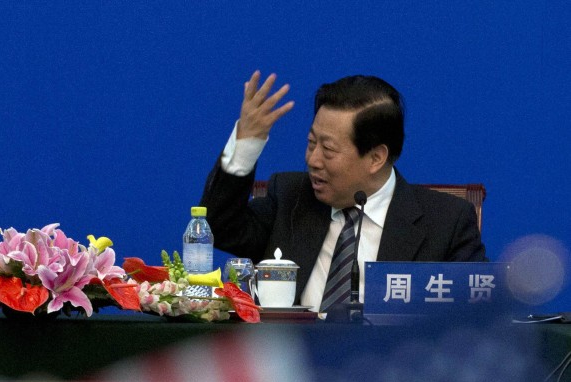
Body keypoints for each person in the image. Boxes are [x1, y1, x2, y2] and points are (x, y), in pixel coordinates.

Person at [200, 71, 487, 310]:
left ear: (376, 158)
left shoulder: (447, 223)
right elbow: (218, 227)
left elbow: (477, 312)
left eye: (328, 149)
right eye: (312, 143)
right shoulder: (290, 197)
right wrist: (247, 144)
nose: (312, 160)